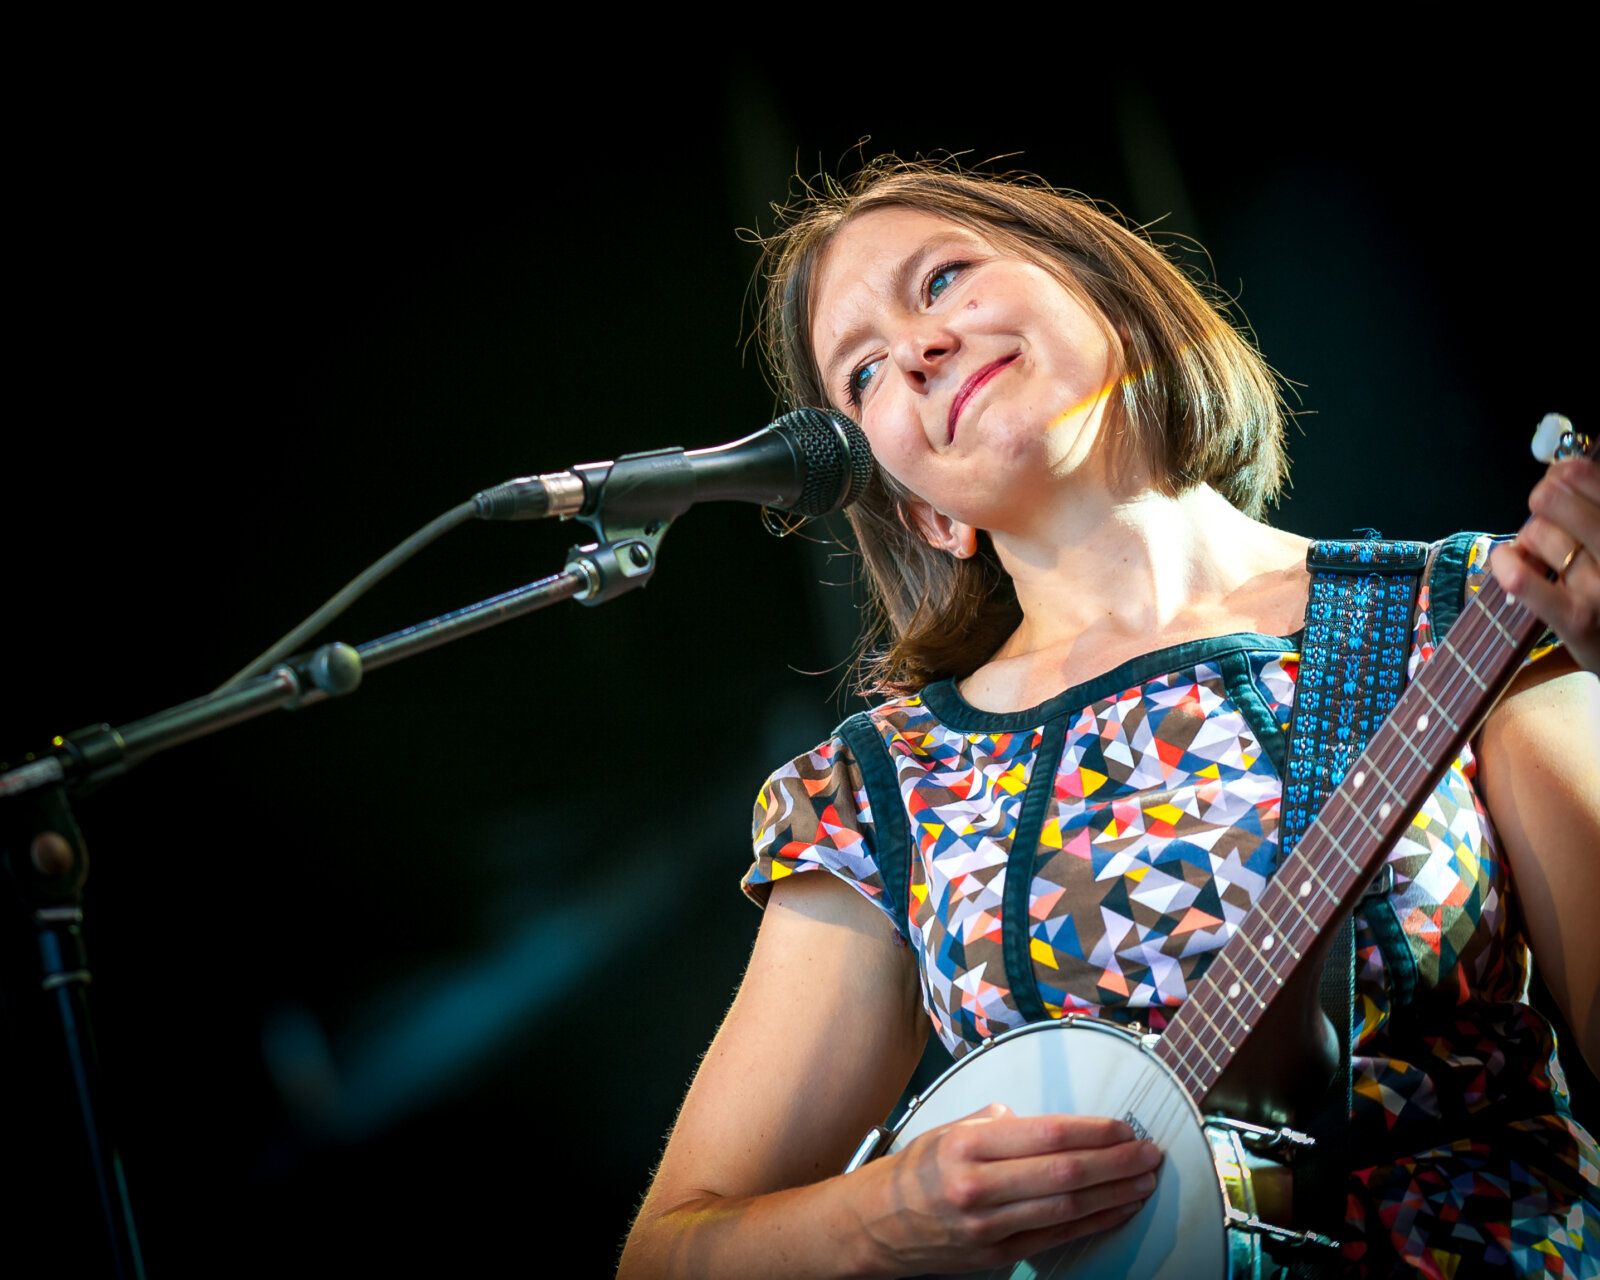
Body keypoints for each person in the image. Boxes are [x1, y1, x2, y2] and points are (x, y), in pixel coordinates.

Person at [617, 158, 1600, 1277]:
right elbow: (669, 1252)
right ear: (923, 511)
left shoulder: (1470, 614)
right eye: (863, 374)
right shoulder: (886, 784)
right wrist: (890, 1211)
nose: (919, 348)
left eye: (941, 280)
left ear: (1111, 297)